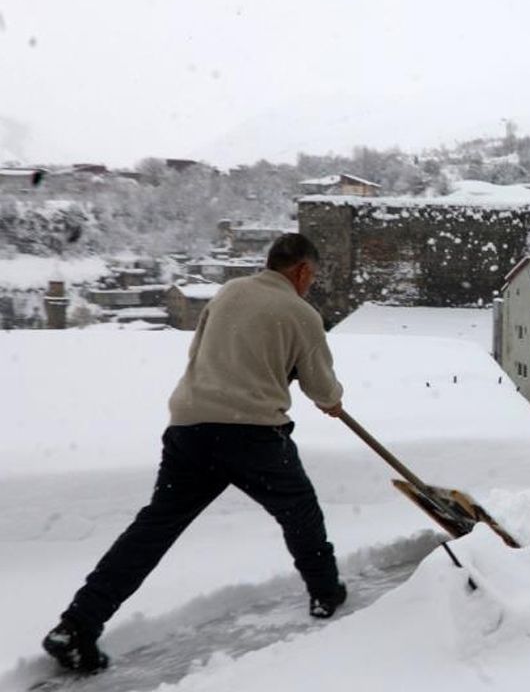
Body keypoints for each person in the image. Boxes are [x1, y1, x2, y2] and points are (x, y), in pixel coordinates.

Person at [43, 233, 347, 673]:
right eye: (312, 278)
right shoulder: (301, 313)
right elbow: (321, 386)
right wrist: (331, 399)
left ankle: (76, 625)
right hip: (253, 435)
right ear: (301, 271)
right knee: (300, 511)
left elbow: (203, 354)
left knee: (153, 529)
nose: (310, 286)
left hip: (190, 429)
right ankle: (325, 593)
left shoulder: (228, 293)